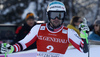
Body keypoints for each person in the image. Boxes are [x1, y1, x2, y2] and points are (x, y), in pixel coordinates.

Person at [1, 1, 89, 57]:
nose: (56, 19)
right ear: (48, 16)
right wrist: (12, 48)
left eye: (59, 15)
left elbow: (83, 49)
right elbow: (23, 44)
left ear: (63, 16)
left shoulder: (69, 32)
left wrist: (83, 36)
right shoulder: (38, 29)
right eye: (53, 15)